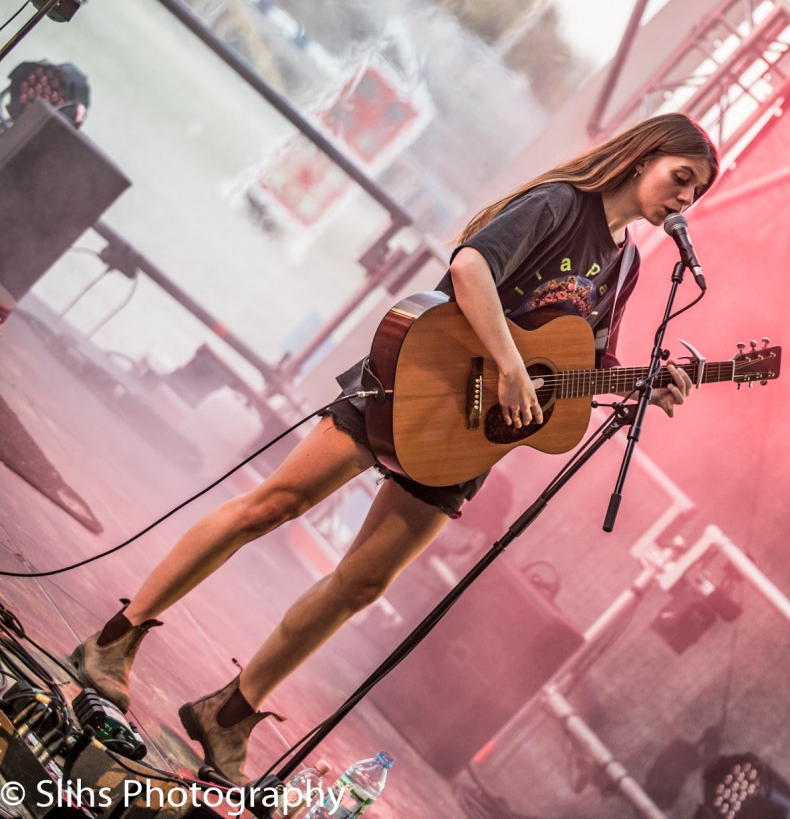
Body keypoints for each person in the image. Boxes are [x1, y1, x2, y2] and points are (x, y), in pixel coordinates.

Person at [70, 113, 718, 785]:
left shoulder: (627, 263)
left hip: (468, 439)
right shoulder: (561, 206)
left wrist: (642, 384)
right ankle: (117, 639)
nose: (684, 199)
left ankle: (230, 713)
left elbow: (585, 360)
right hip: (420, 375)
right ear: (645, 156)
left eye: (696, 192)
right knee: (273, 505)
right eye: (681, 178)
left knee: (362, 584)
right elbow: (470, 268)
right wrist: (509, 363)